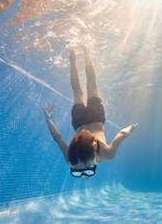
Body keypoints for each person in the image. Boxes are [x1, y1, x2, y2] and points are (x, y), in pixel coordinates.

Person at [43, 47, 137, 179]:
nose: (84, 175)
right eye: (88, 171)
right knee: (79, 89)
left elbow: (122, 134)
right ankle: (75, 57)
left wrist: (131, 128)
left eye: (78, 172)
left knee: (90, 86)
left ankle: (81, 55)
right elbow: (57, 138)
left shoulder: (107, 153)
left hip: (94, 118)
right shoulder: (71, 157)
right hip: (81, 121)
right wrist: (48, 119)